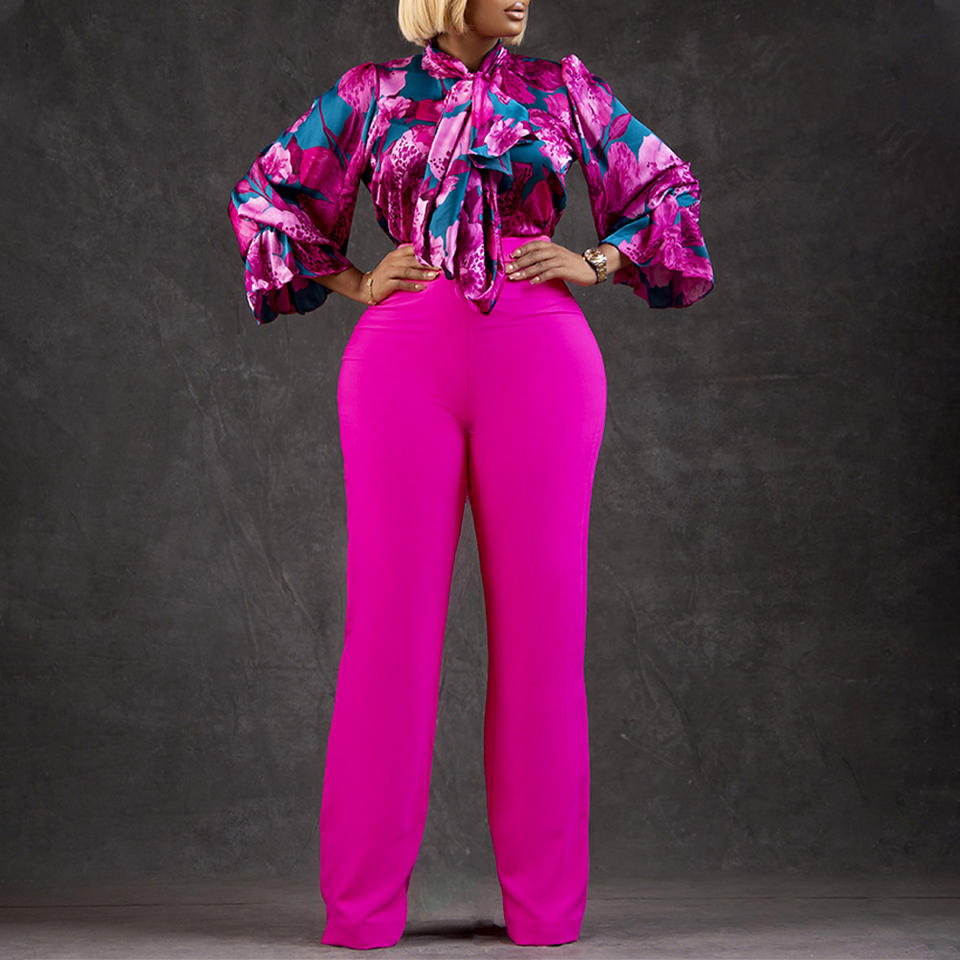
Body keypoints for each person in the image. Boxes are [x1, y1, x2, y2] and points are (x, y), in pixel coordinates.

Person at [227, 0, 714, 949]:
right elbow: (264, 196)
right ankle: (361, 911)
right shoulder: (372, 95)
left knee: (543, 641)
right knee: (385, 637)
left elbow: (669, 191)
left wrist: (598, 259)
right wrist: (357, 280)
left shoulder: (562, 88)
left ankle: (547, 910)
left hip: (543, 361)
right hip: (399, 364)